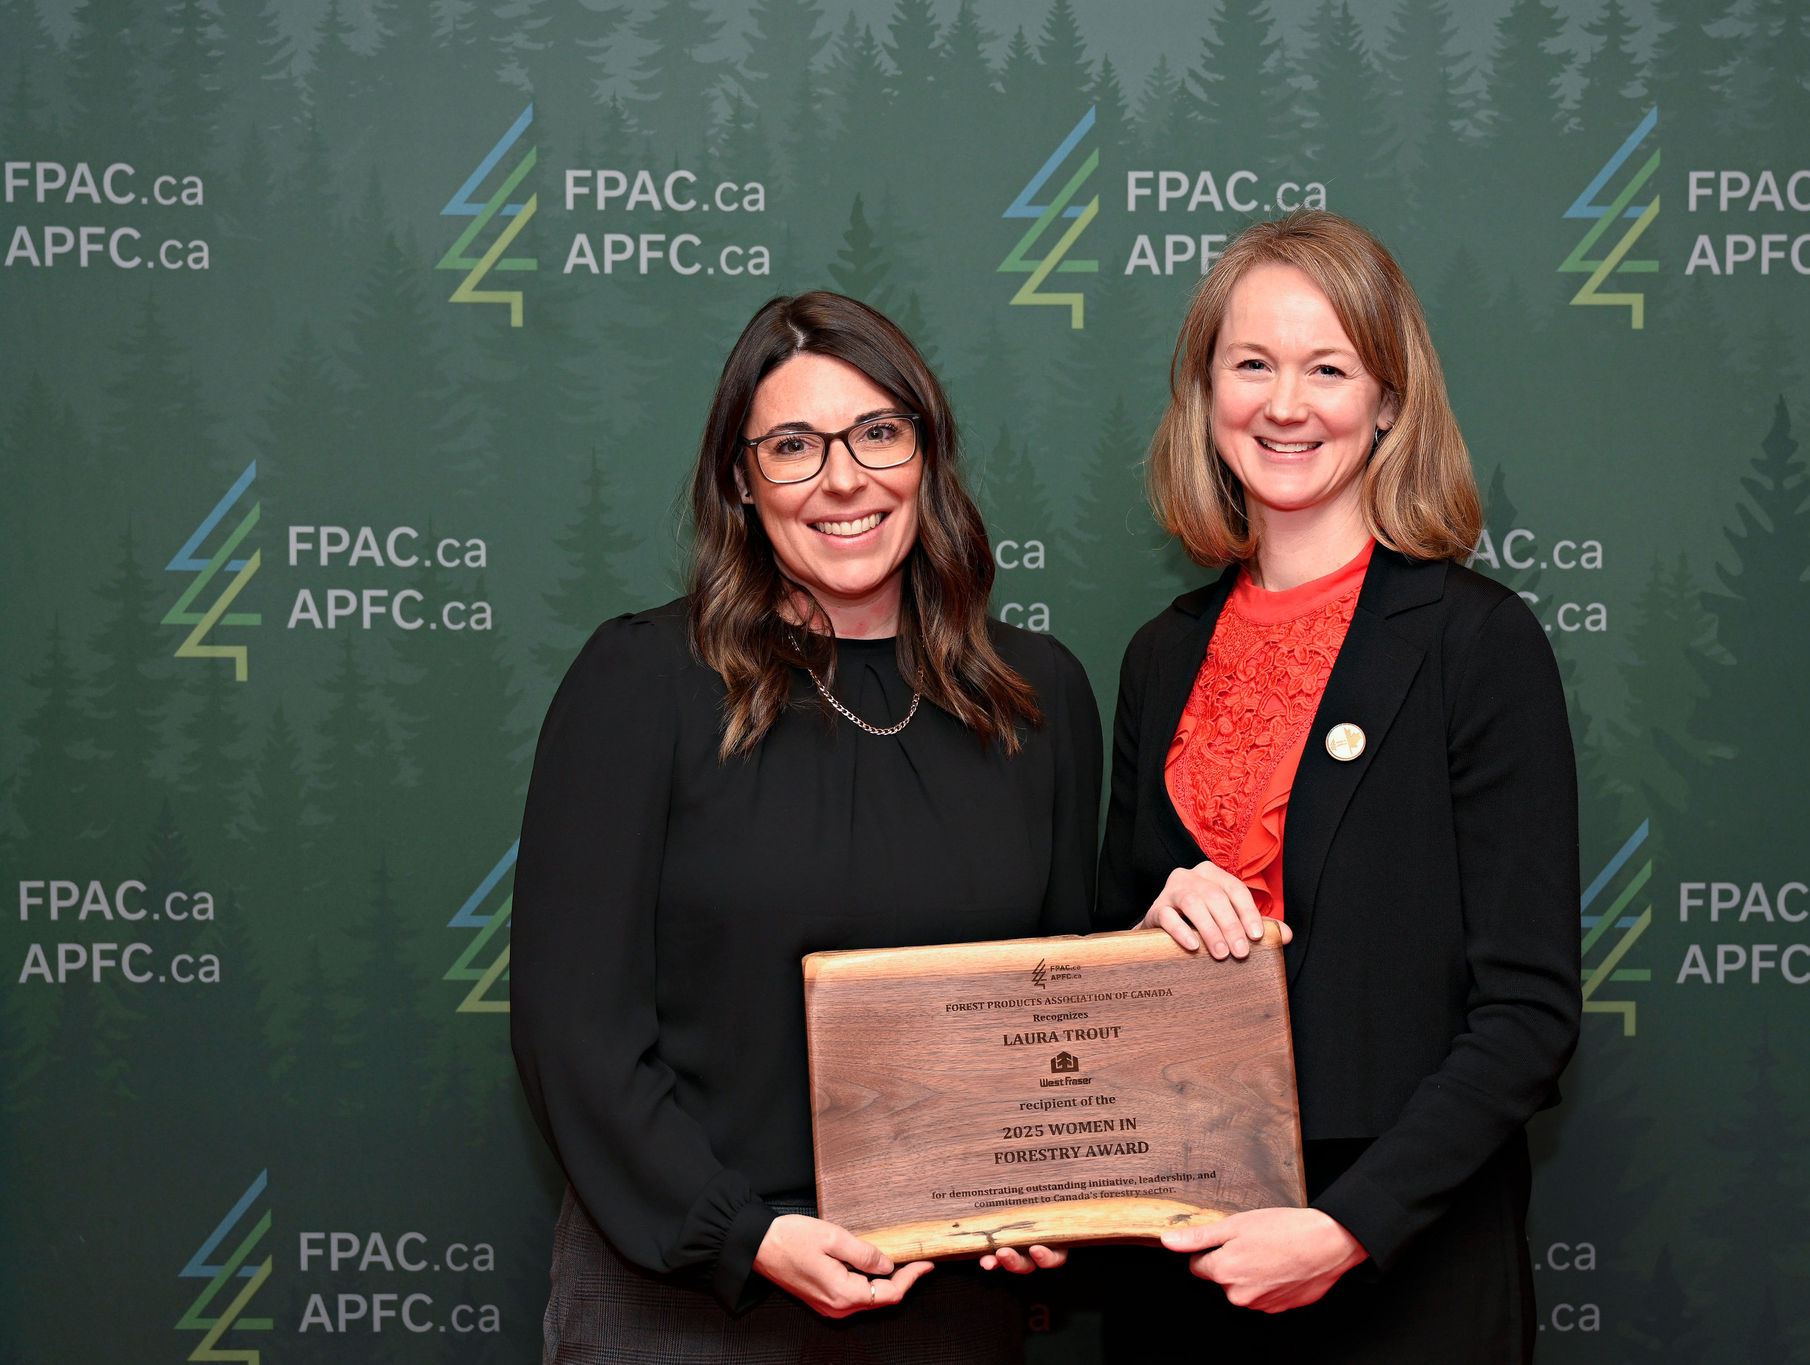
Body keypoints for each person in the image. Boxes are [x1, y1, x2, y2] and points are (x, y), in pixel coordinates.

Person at [511, 291, 1098, 1363]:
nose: (843, 478)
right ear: (739, 480)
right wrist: (744, 1232)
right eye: (792, 445)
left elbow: (1057, 1012)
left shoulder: (1034, 700)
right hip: (689, 1301)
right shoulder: (641, 683)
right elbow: (574, 1032)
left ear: (926, 452)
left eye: (877, 433)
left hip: (947, 1305)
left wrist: (1047, 1196)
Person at [1094, 211, 1580, 1362]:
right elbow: (1098, 961)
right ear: (1203, 398)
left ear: (1388, 401)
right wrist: (1149, 918)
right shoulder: (1158, 655)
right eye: (1249, 365)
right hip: (1179, 1257)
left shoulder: (1478, 643)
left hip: (1403, 1261)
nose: (1284, 403)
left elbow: (1525, 1015)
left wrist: (1345, 1228)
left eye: (1327, 368)